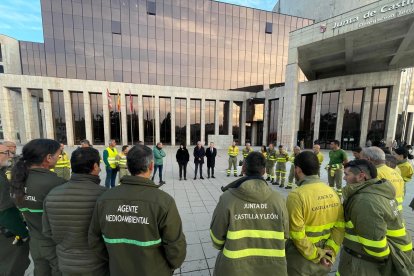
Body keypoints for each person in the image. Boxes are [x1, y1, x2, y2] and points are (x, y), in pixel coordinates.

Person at [89, 145, 187, 275]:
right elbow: (175, 245)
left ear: (128, 166)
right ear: (151, 166)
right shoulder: (164, 201)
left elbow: (95, 239)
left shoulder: (105, 199)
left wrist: (114, 261)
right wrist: (169, 267)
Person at [210, 152, 289, 275]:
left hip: (234, 269)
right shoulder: (279, 199)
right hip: (272, 269)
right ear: (264, 171)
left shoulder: (227, 199)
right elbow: (285, 235)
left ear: (243, 168)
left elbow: (216, 240)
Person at [338, 160, 414, 275]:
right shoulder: (378, 190)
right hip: (398, 251)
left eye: (347, 174)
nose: (344, 178)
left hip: (364, 263)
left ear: (361, 176)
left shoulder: (365, 201)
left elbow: (376, 248)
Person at [43, 147, 108, 275]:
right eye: (99, 165)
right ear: (95, 166)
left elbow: (47, 231)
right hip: (96, 263)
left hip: (65, 262)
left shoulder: (52, 194)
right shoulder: (104, 196)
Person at [10, 139, 67, 276]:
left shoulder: (17, 180)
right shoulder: (56, 183)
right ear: (48, 158)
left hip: (35, 242)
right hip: (54, 244)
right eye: (58, 154)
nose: (59, 157)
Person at [286, 151, 344, 276]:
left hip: (301, 260)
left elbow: (296, 234)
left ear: (298, 170)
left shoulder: (296, 196)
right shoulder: (332, 192)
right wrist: (329, 254)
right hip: (325, 260)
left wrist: (316, 255)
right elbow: (339, 228)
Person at [0, 143, 30, 276]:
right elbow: (5, 211)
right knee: (13, 266)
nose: (10, 156)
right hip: (6, 233)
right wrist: (23, 233)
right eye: (6, 153)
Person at [361, 147, 405, 211]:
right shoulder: (395, 172)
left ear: (368, 159)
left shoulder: (373, 174)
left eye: (361, 159)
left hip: (381, 212)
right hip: (396, 212)